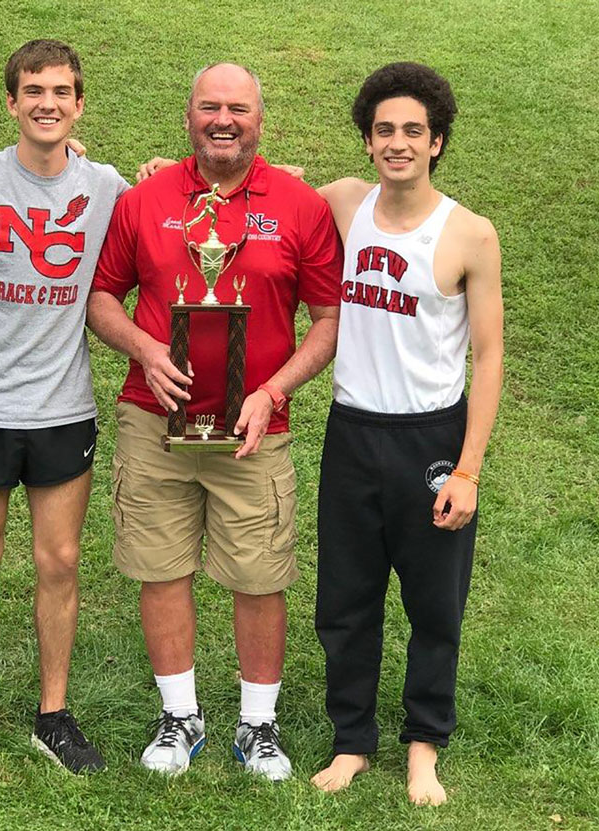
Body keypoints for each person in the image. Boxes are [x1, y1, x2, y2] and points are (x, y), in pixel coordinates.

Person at [87, 62, 342, 781]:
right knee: (160, 567)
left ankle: (257, 725)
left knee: (260, 575)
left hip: (257, 429)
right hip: (153, 417)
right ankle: (181, 715)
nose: (222, 119)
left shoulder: (299, 205)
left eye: (236, 108)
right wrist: (141, 346)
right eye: (209, 107)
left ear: (262, 120)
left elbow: (327, 320)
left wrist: (273, 389)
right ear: (188, 116)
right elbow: (103, 295)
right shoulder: (144, 199)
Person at [0, 40, 128, 774]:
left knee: (61, 559)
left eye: (62, 91)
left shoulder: (107, 184)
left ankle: (53, 713)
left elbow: (164, 221)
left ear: (80, 104)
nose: (47, 102)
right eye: (33, 89)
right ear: (11, 102)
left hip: (62, 404)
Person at [309, 62, 504, 805]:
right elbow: (258, 185)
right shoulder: (344, 203)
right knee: (346, 599)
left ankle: (424, 746)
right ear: (367, 141)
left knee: (434, 602)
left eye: (412, 132)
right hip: (353, 432)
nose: (398, 143)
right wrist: (178, 170)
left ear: (437, 141)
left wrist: (469, 468)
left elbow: (489, 356)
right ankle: (352, 740)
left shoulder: (469, 233)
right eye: (385, 130)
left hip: (431, 438)